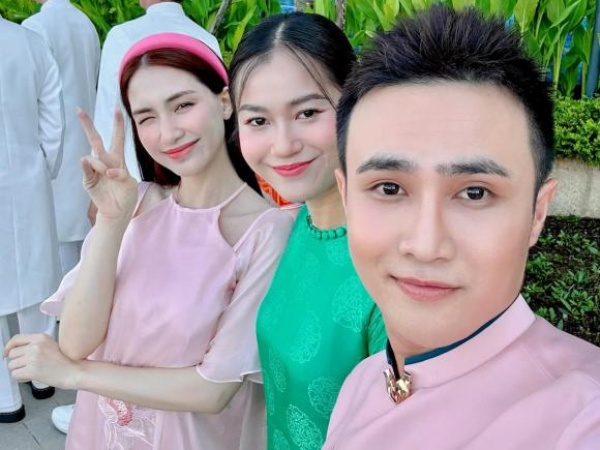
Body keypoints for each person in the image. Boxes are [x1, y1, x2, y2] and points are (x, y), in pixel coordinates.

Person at [323, 5, 600, 449]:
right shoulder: (360, 382)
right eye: (389, 188)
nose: (425, 244)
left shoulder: (580, 416)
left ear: (538, 213)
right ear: (346, 198)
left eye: (474, 193)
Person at [5, 32, 292, 450]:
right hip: (97, 435)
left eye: (183, 105)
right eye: (147, 117)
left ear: (224, 102)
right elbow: (76, 342)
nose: (169, 133)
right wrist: (111, 222)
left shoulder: (265, 231)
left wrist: (75, 374)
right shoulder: (134, 204)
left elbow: (213, 389)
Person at [229, 12, 387, 450]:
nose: (283, 145)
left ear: (356, 103)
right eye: (258, 121)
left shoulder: (391, 268)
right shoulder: (300, 223)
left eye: (308, 112)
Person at [0, 15, 64, 423]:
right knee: (35, 280)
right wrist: (44, 166)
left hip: (24, 177)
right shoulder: (29, 42)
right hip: (27, 178)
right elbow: (53, 115)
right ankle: (40, 375)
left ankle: (5, 399)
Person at [95, 0, 219, 180]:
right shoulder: (206, 38)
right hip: (198, 169)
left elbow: (109, 114)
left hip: (136, 173)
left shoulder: (123, 36)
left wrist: (102, 173)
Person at [23, 0, 100, 277]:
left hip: (53, 153)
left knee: (54, 263)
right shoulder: (85, 24)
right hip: (86, 148)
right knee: (84, 255)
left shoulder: (35, 27)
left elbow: (31, 97)